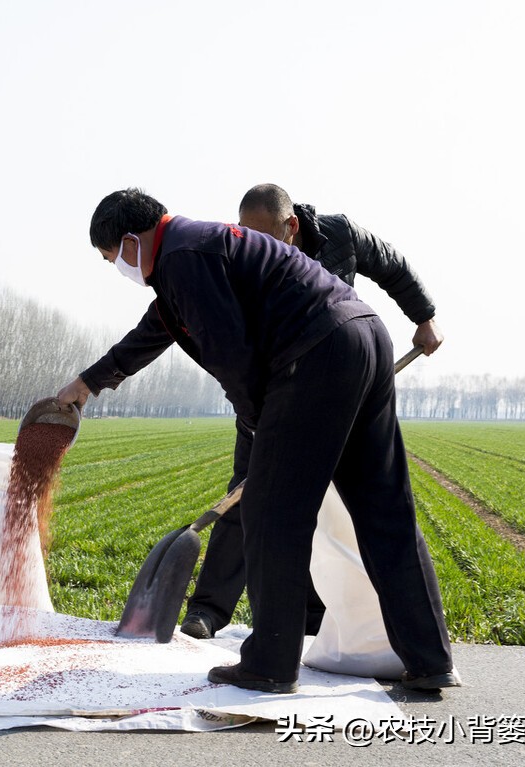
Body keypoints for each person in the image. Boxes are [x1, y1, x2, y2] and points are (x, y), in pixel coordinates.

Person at [56, 188, 458, 692]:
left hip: (316, 353)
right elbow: (155, 330)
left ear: (134, 240)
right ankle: (429, 659)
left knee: (271, 512)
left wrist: (258, 426)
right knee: (384, 509)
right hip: (364, 337)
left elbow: (232, 355)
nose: (117, 267)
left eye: (112, 256)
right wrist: (87, 383)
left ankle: (269, 663)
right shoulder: (193, 252)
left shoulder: (182, 257)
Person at [176, 183, 445, 639]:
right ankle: (207, 610)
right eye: (245, 233)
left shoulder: (340, 235)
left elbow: (392, 266)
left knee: (328, 503)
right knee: (246, 495)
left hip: (338, 388)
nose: (253, 243)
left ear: (292, 226)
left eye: (265, 234)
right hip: (271, 395)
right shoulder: (240, 259)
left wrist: (424, 316)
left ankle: (315, 618)